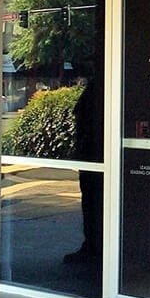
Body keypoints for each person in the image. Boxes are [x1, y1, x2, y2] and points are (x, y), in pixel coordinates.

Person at [64, 78, 103, 264]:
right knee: (91, 202)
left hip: (92, 158)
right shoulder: (95, 92)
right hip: (90, 158)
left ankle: (94, 246)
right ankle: (93, 245)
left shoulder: (96, 93)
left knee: (93, 203)